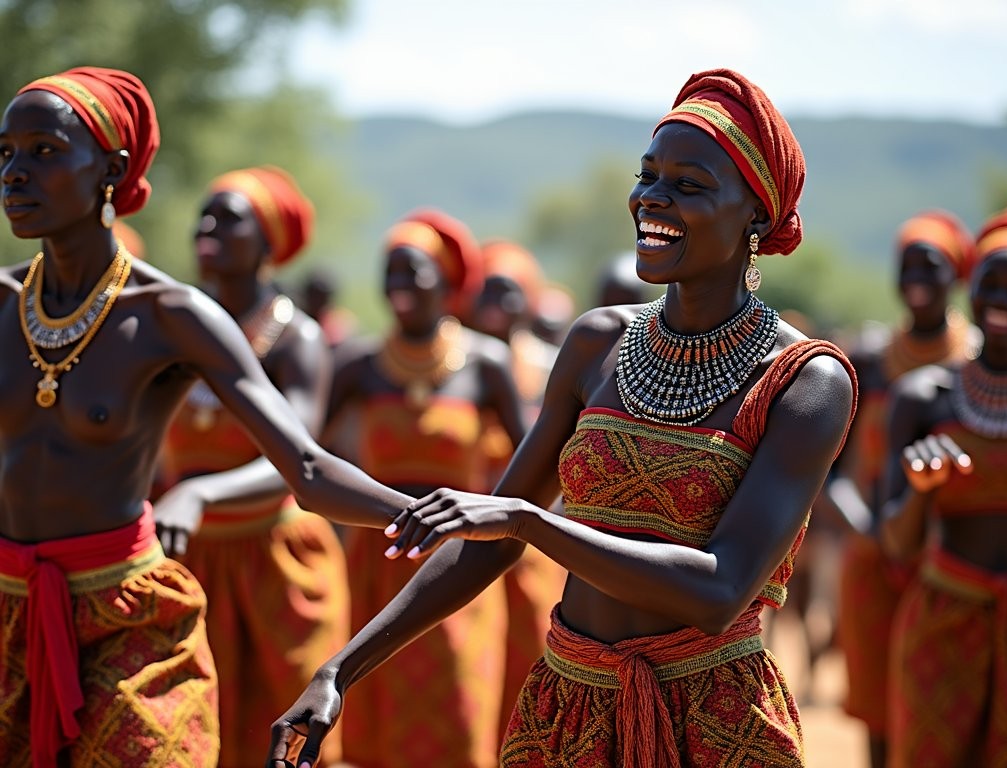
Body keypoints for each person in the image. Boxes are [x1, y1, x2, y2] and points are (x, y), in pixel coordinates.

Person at [269, 68, 858, 768]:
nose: (652, 199)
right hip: (565, 708)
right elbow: (489, 539)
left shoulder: (806, 382)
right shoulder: (597, 342)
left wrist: (531, 520)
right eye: (648, 176)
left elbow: (720, 589)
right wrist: (339, 670)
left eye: (688, 185)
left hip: (712, 719)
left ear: (756, 217)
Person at [0, 67, 413, 767]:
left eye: (43, 151)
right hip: (7, 607)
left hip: (127, 615)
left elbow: (305, 467)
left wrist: (434, 513)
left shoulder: (170, 317)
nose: (14, 172)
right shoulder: (2, 303)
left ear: (111, 168)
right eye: (5, 152)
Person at [152, 166, 348, 768]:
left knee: (281, 744)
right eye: (204, 215)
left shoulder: (298, 341)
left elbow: (299, 458)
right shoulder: (175, 326)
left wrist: (202, 492)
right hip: (185, 561)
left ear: (267, 242)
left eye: (229, 216)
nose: (206, 226)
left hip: (275, 566)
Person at [320, 209, 527, 768]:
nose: (399, 287)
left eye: (413, 272)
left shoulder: (487, 364)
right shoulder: (358, 365)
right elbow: (310, 456)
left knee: (459, 712)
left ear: (447, 282)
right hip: (380, 559)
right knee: (375, 723)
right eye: (390, 273)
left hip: (459, 561)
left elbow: (535, 463)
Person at [825, 210, 978, 767]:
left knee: (947, 711)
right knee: (878, 708)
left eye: (930, 265)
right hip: (873, 563)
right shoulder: (867, 363)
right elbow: (831, 472)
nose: (916, 277)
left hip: (950, 564)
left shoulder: (977, 367)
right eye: (907, 265)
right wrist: (870, 531)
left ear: (956, 278)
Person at [879, 206, 1007, 768]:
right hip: (942, 623)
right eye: (994, 284)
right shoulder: (923, 398)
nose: (1005, 301)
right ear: (971, 288)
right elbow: (896, 544)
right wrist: (921, 489)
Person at [472, 238, 569, 737]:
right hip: (473, 527)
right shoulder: (464, 364)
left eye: (507, 291)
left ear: (527, 299)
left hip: (529, 533)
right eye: (485, 290)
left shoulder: (553, 365)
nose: (494, 303)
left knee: (527, 656)